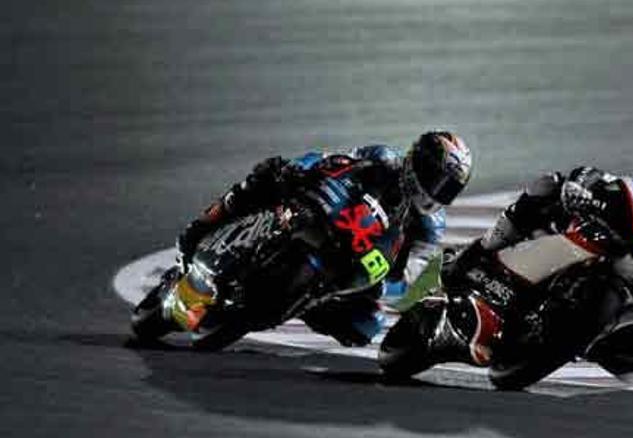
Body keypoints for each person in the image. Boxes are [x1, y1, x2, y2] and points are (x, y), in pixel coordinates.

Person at [429, 154, 633, 385]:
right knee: (550, 186)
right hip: (612, 249)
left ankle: (578, 338)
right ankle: (478, 251)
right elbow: (624, 189)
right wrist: (586, 190)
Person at [176, 131, 473, 347]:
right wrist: (302, 168)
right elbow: (333, 160)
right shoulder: (384, 159)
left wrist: (386, 286)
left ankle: (309, 302)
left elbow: (410, 276)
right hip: (325, 209)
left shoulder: (429, 226)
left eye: (447, 187)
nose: (437, 190)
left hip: (356, 264)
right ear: (417, 161)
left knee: (366, 327)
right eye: (435, 178)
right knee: (268, 175)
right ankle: (208, 221)